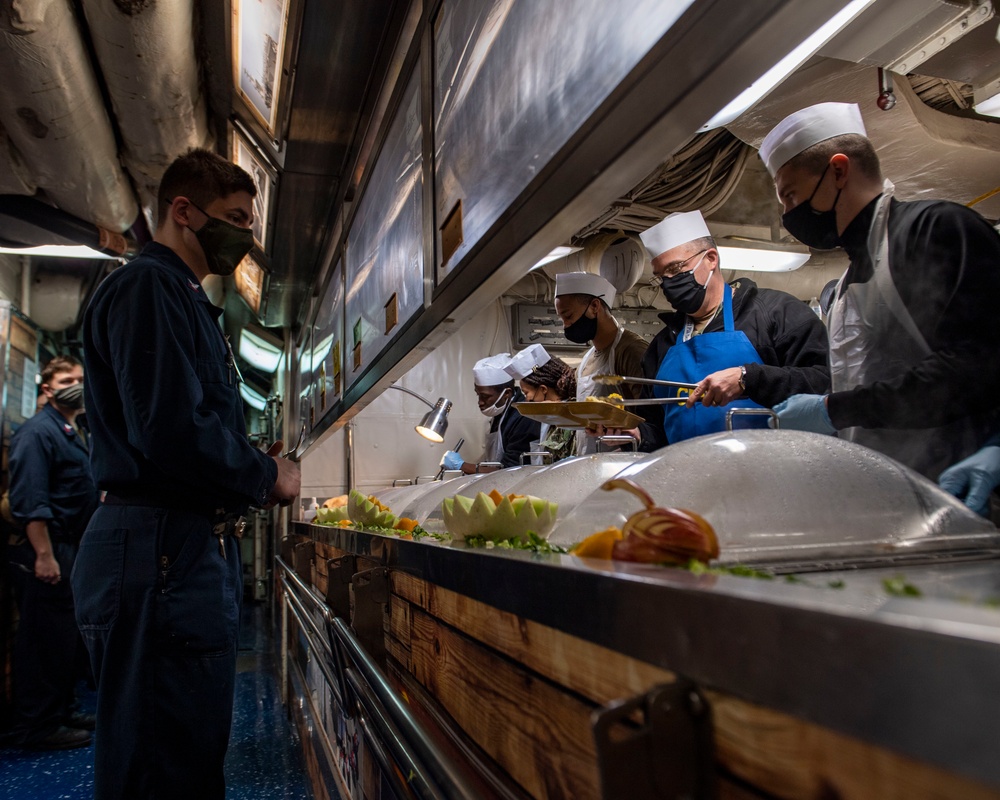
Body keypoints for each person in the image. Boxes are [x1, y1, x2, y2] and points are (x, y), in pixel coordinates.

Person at [72, 148, 301, 799]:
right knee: (160, 765)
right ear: (183, 211)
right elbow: (170, 431)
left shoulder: (179, 296)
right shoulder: (148, 286)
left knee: (187, 754)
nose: (245, 236)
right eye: (234, 218)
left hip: (176, 547)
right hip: (157, 550)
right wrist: (266, 474)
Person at [759, 102, 1000, 481]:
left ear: (838, 171)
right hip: (883, 485)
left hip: (955, 482)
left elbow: (973, 367)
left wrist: (834, 410)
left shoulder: (934, 230)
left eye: (790, 196)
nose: (789, 216)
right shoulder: (842, 287)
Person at [631, 210, 829, 448]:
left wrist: (749, 378)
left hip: (769, 475)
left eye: (675, 269)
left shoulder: (776, 313)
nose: (668, 283)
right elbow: (656, 426)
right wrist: (637, 434)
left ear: (711, 259)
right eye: (661, 276)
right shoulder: (663, 345)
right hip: (687, 477)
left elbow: (823, 384)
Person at [6, 356, 98, 750]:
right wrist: (44, 555)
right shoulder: (36, 433)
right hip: (47, 547)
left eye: (80, 379)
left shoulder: (70, 430)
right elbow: (31, 500)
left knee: (63, 638)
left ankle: (62, 709)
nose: (75, 385)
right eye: (66, 379)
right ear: (47, 388)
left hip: (69, 546)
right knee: (43, 640)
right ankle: (38, 726)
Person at [553, 272, 648, 454]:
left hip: (623, 463)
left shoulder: (631, 350)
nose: (566, 325)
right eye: (562, 319)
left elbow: (650, 418)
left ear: (594, 306)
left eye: (568, 316)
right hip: (589, 459)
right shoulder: (586, 360)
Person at [442, 354, 541, 472]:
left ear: (506, 394)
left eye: (485, 396)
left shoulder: (523, 417)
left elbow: (511, 469)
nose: (480, 402)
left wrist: (462, 465)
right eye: (478, 395)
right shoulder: (500, 412)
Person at [503, 344, 577, 463]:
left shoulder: (570, 415)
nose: (526, 399)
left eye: (526, 393)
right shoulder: (547, 416)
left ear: (543, 389)